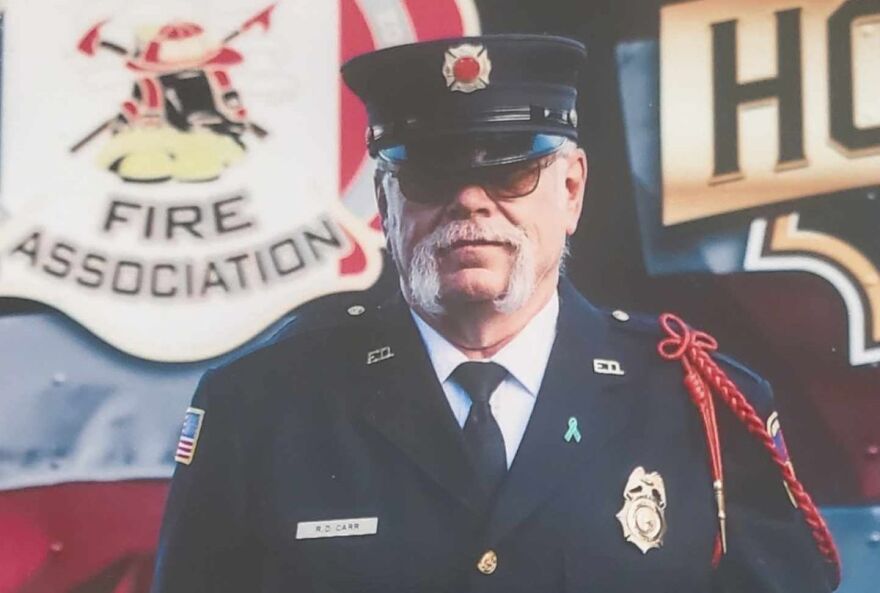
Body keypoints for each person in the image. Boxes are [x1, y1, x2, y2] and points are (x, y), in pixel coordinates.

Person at [150, 35, 840, 593]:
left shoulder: (701, 407)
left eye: (512, 173)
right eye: (431, 173)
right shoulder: (260, 408)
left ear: (571, 190)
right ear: (386, 204)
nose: (472, 202)